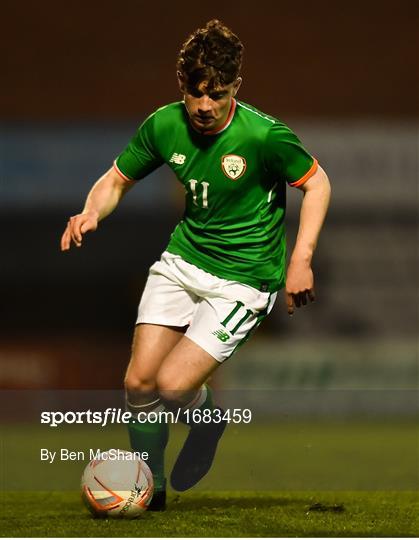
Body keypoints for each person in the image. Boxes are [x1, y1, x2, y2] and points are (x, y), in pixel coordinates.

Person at [60, 19, 331, 511]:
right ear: (181, 86)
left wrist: (301, 260)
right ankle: (151, 490)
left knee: (172, 384)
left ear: (235, 88)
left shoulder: (265, 136)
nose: (205, 106)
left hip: (244, 279)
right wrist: (91, 211)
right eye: (195, 94)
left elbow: (317, 183)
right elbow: (116, 179)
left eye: (218, 94)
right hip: (184, 261)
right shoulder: (164, 124)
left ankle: (209, 424)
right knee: (139, 382)